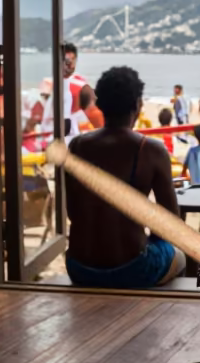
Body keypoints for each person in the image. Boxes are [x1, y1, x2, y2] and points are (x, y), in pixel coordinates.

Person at [64, 67, 184, 289]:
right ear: (137, 104)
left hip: (79, 268)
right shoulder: (151, 150)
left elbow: (73, 211)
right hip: (132, 269)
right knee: (180, 255)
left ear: (99, 104)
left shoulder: (76, 146)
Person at [62, 43, 102, 140]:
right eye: (67, 60)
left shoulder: (80, 84)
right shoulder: (79, 85)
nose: (70, 64)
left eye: (73, 60)